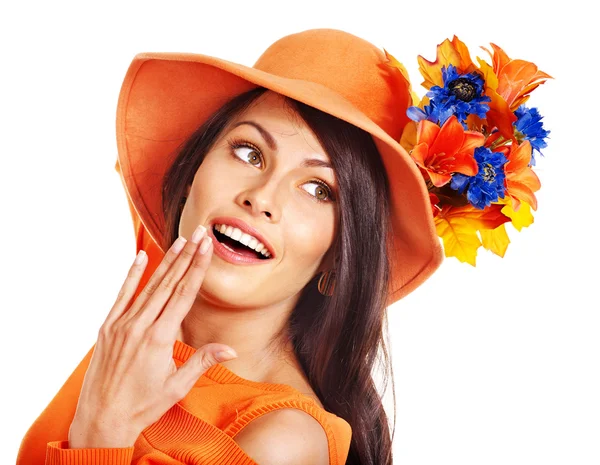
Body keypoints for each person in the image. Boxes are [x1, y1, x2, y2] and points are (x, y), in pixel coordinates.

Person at [16, 28, 443, 465]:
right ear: (192, 173)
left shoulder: (283, 441)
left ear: (339, 256)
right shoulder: (166, 267)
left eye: (317, 189)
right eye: (249, 153)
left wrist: (101, 432)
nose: (261, 197)